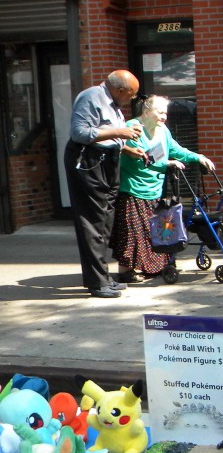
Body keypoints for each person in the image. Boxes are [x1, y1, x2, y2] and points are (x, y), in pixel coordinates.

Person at [111, 95, 214, 283]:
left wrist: (198, 157)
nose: (164, 116)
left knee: (155, 231)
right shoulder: (133, 127)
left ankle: (154, 267)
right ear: (146, 112)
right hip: (133, 188)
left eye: (165, 113)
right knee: (133, 233)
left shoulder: (163, 130)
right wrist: (167, 163)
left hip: (155, 189)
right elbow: (140, 159)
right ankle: (125, 271)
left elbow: (175, 149)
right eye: (159, 112)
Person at [64, 70, 143, 298]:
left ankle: (104, 277)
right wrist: (121, 131)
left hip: (108, 160)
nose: (132, 99)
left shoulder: (113, 102)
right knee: (93, 221)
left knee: (106, 221)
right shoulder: (91, 97)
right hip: (88, 162)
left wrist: (126, 148)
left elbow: (107, 135)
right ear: (120, 90)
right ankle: (97, 283)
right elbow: (79, 133)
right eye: (131, 94)